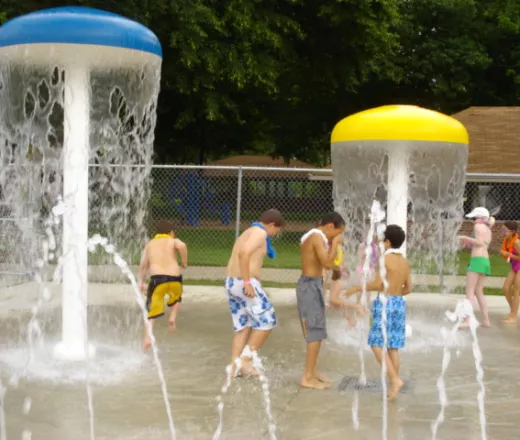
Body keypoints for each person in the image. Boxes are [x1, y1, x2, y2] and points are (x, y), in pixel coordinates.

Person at [341, 225, 411, 401]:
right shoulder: (404, 261)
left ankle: (394, 380)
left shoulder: (384, 260)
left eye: (382, 240)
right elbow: (409, 288)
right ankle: (393, 387)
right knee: (393, 346)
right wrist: (395, 295)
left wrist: (357, 288)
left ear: (388, 242)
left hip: (384, 303)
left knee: (375, 343)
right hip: (399, 303)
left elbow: (378, 284)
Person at [225, 209, 285, 376]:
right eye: (276, 231)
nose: (274, 235)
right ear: (272, 225)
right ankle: (246, 360)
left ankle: (234, 366)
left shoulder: (249, 231)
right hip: (244, 282)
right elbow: (244, 254)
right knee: (268, 320)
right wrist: (247, 282)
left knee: (243, 326)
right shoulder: (259, 232)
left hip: (232, 282)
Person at [297, 211, 345, 389]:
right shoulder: (317, 237)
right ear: (330, 226)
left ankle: (312, 371)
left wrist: (334, 267)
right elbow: (325, 262)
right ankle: (307, 377)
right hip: (309, 285)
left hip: (313, 284)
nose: (338, 236)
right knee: (314, 330)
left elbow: (318, 260)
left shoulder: (313, 236)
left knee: (317, 329)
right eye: (338, 232)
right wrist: (335, 244)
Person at [139, 220, 188, 352]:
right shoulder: (173, 241)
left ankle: (147, 338)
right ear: (171, 232)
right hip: (174, 279)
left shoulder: (149, 245)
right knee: (177, 298)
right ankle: (172, 316)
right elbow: (182, 246)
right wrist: (184, 262)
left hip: (157, 280)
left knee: (151, 312)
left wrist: (141, 282)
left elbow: (143, 267)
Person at [458, 207, 494, 328]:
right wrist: (466, 241)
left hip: (477, 260)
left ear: (480, 218)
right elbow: (480, 242)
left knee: (470, 291)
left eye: (474, 218)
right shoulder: (488, 229)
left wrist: (463, 237)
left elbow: (478, 242)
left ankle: (468, 321)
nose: (473, 221)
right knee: (479, 292)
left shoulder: (478, 227)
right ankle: (486, 320)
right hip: (485, 261)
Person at [500, 221, 520, 324]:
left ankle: (514, 317)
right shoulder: (507, 240)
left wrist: (509, 254)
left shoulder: (516, 242)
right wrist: (504, 254)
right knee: (505, 288)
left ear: (512, 231)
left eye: (504, 230)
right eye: (502, 229)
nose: (503, 231)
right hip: (515, 267)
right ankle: (513, 311)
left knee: (516, 291)